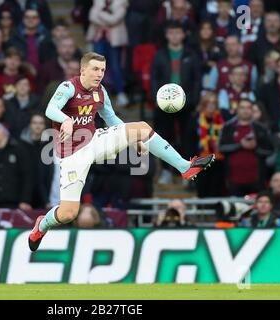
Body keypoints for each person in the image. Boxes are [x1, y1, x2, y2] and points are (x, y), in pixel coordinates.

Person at [28, 52, 215, 251]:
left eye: (102, 70)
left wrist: (134, 139)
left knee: (142, 128)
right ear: (82, 70)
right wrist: (65, 120)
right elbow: (50, 109)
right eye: (95, 69)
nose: (99, 73)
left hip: (94, 141)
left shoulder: (100, 91)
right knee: (67, 214)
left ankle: (185, 167)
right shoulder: (68, 87)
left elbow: (111, 119)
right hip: (73, 155)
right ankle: (41, 225)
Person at [150, 21, 202, 184]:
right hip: (164, 105)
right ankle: (166, 171)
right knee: (164, 138)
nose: (174, 36)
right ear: (166, 35)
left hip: (187, 105)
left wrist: (193, 100)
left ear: (183, 34)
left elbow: (197, 80)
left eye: (177, 32)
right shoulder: (160, 55)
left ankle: (186, 171)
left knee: (188, 138)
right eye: (171, 33)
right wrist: (156, 99)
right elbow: (153, 79)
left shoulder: (191, 54)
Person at [219, 98, 273, 196]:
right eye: (242, 107)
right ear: (237, 110)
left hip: (256, 180)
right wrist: (240, 145)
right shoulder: (228, 127)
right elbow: (221, 148)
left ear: (252, 110)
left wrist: (256, 147)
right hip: (233, 180)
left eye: (248, 108)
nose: (245, 110)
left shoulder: (261, 129)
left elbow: (269, 151)